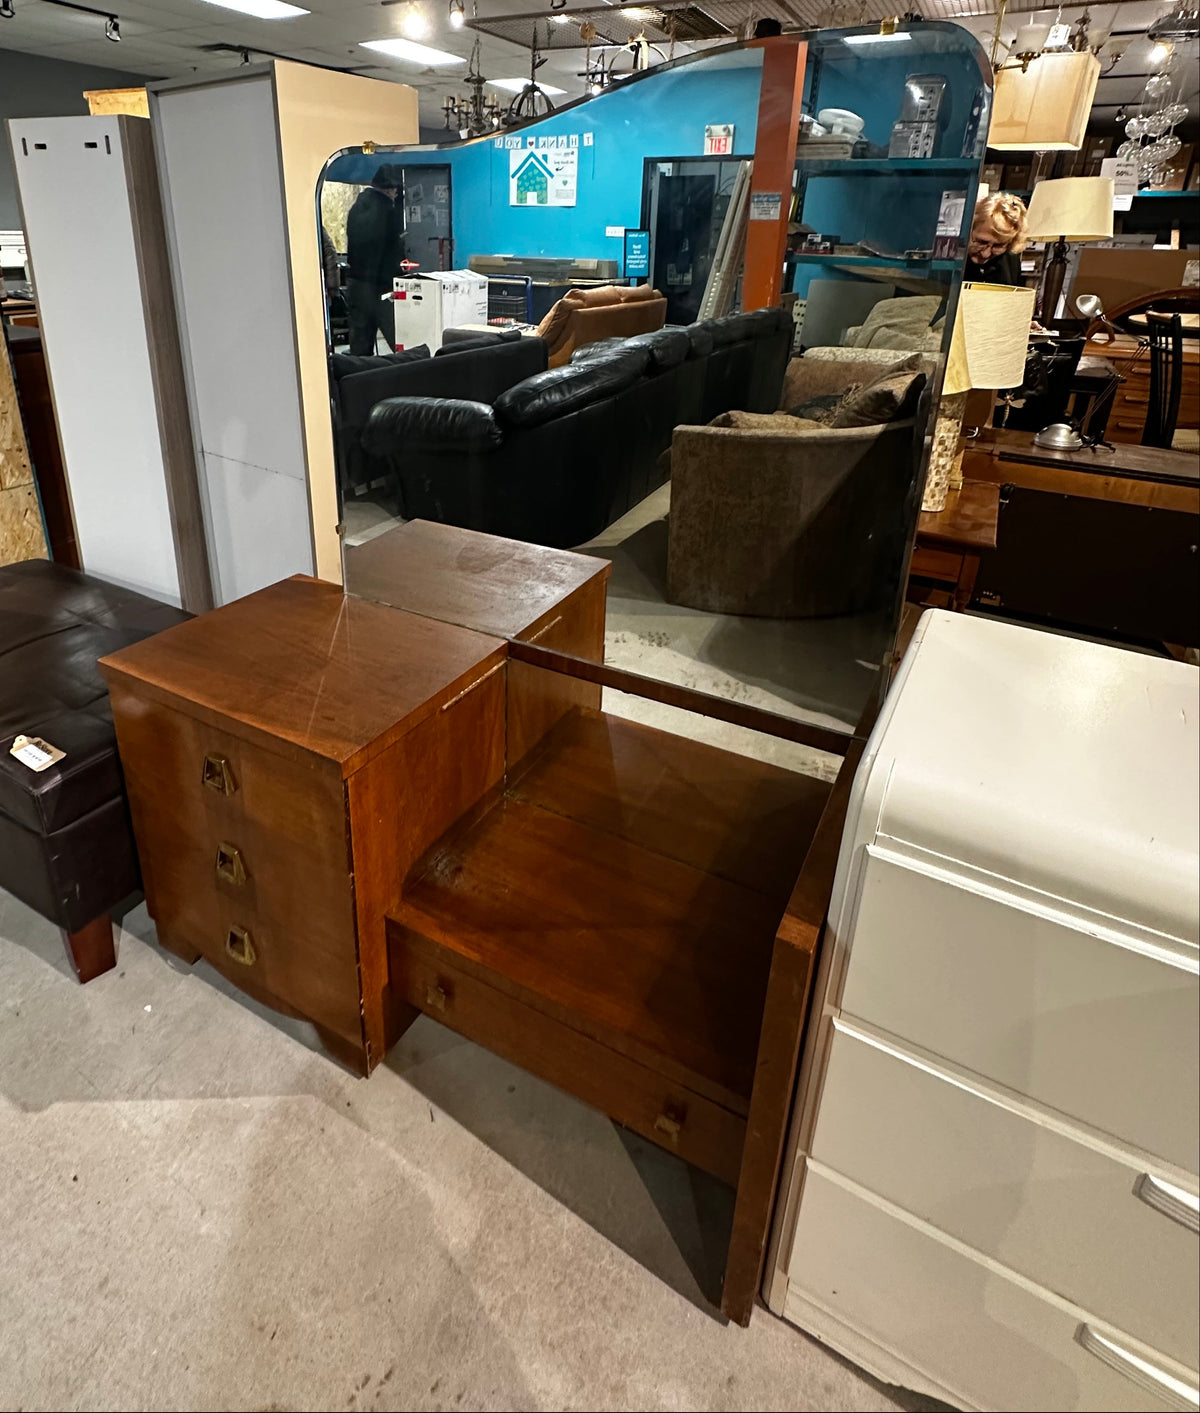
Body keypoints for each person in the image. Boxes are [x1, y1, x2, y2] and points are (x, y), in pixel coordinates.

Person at [345, 163, 406, 355]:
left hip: (356, 285)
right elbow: (392, 254)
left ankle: (357, 381)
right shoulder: (389, 211)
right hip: (383, 288)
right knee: (401, 342)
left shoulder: (356, 208)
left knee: (360, 348)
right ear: (392, 189)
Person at [964, 192, 1028, 285]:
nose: (985, 254)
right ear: (968, 231)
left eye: (998, 246)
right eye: (981, 242)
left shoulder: (1010, 260)